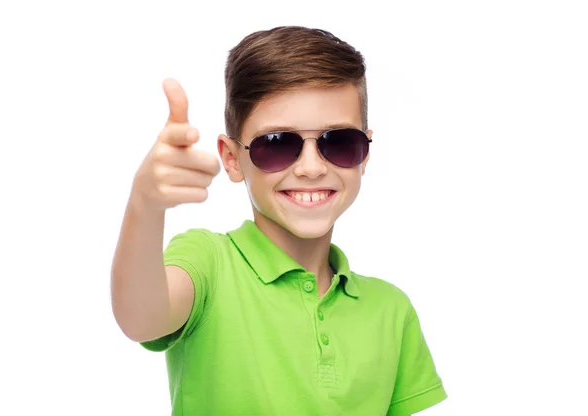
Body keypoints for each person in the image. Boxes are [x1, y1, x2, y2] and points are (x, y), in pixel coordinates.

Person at [111, 25, 447, 415]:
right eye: (277, 145)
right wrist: (145, 205)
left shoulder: (392, 310)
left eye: (338, 142)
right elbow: (140, 317)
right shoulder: (209, 263)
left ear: (365, 152)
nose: (310, 168)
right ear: (232, 158)